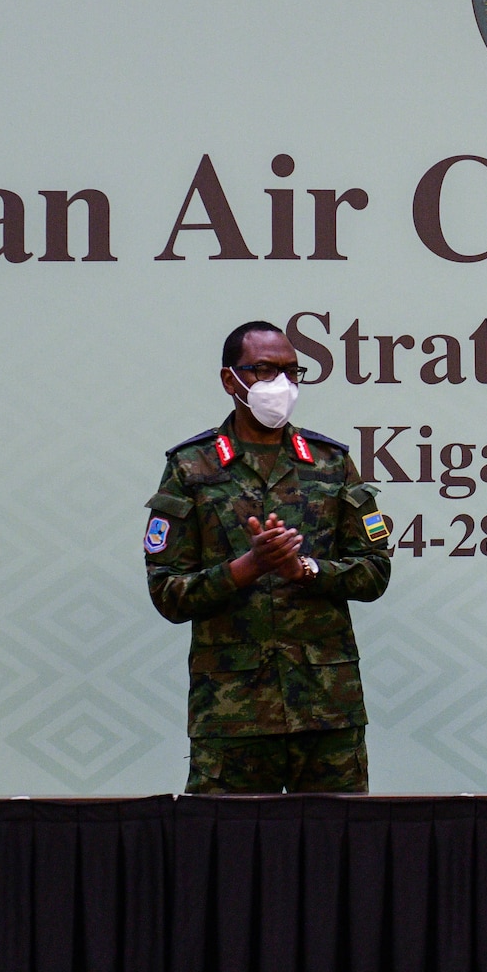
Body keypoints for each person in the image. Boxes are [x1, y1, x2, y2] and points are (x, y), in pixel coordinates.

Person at [145, 320, 393, 793]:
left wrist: (306, 570)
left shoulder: (330, 462)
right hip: (232, 715)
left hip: (327, 710)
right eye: (262, 370)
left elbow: (374, 572)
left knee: (338, 855)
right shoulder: (190, 467)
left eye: (291, 371)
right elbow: (168, 593)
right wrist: (247, 568)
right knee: (228, 858)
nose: (280, 384)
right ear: (230, 380)